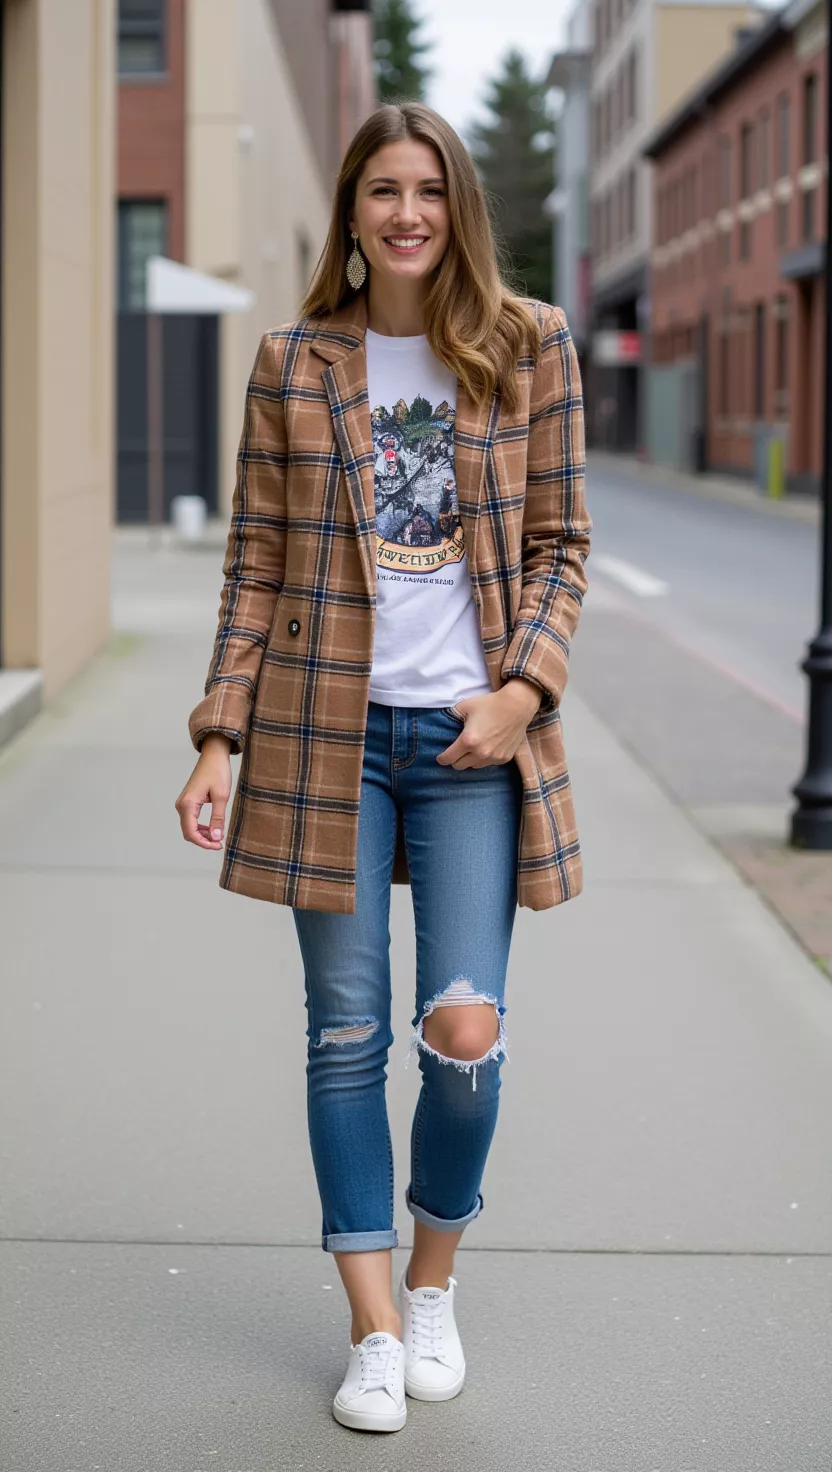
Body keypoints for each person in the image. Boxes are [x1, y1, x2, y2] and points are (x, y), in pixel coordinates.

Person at [175, 101, 591, 1435]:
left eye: (426, 190)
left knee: (464, 1040)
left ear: (453, 206)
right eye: (381, 191)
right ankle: (366, 1327)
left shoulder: (528, 347)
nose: (405, 212)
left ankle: (432, 1284)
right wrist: (220, 735)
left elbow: (563, 543)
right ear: (351, 212)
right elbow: (252, 561)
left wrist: (522, 690)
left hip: (474, 741)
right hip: (323, 735)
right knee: (347, 1033)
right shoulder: (294, 361)